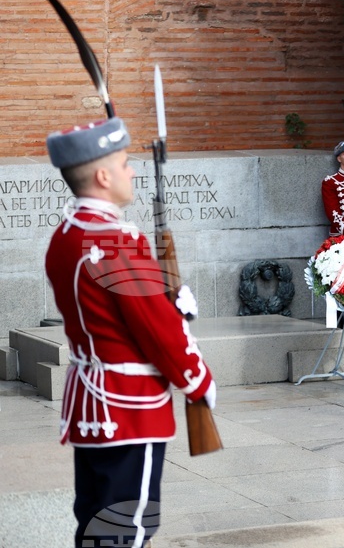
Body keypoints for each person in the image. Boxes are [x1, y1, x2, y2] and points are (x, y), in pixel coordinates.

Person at [44, 117, 217, 547]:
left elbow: (114, 313)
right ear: (103, 177)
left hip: (90, 405)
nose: (133, 171)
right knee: (126, 532)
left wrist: (163, 295)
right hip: (130, 409)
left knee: (95, 525)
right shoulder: (117, 240)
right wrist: (198, 381)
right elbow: (156, 331)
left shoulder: (66, 235)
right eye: (124, 163)